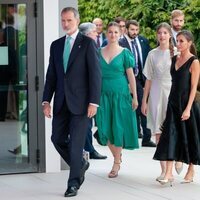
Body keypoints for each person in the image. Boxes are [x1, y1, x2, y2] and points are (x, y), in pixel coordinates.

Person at [42, 7, 101, 197]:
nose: (65, 24)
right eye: (63, 21)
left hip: (82, 104)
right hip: (60, 102)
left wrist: (94, 102)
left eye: (69, 20)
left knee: (76, 145)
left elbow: (95, 75)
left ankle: (73, 184)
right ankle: (80, 164)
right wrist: (46, 100)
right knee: (57, 138)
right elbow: (51, 76)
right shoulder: (56, 45)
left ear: (77, 20)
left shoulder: (87, 43)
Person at [153, 30, 200, 185]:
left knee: (190, 137)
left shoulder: (194, 62)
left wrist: (187, 109)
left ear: (189, 43)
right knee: (169, 138)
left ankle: (191, 170)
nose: (178, 44)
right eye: (177, 41)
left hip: (187, 105)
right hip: (173, 103)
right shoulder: (174, 59)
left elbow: (194, 87)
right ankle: (168, 173)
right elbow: (174, 83)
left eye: (181, 41)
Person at [95, 22, 139, 178]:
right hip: (102, 95)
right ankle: (117, 156)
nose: (112, 35)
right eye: (110, 32)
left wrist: (135, 96)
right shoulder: (98, 51)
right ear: (106, 33)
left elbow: (131, 76)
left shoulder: (125, 52)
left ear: (120, 34)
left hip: (120, 95)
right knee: (104, 128)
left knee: (118, 127)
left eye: (115, 32)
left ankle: (116, 163)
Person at [141, 22, 174, 181]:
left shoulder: (176, 54)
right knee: (158, 132)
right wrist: (144, 101)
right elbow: (148, 79)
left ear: (169, 35)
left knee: (172, 130)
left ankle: (173, 165)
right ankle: (163, 170)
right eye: (159, 33)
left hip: (172, 93)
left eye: (165, 33)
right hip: (155, 93)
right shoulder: (152, 54)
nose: (162, 35)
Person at [119, 20, 156, 147]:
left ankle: (146, 137)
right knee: (133, 107)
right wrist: (126, 82)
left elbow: (148, 59)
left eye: (136, 30)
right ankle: (133, 136)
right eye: (132, 30)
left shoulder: (143, 41)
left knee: (143, 106)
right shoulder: (120, 43)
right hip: (127, 79)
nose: (135, 32)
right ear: (126, 30)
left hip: (142, 78)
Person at [79, 22, 107, 159]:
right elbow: (94, 73)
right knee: (87, 123)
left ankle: (88, 149)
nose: (97, 34)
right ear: (88, 34)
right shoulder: (88, 47)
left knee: (87, 124)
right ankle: (88, 150)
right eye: (94, 32)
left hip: (85, 93)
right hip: (86, 93)